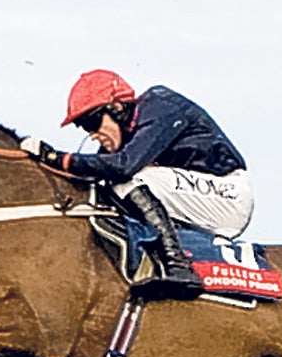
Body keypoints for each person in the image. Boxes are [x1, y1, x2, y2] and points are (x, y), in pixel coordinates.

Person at [20, 69, 254, 300]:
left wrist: (57, 157)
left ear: (117, 108)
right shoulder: (126, 134)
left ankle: (179, 267)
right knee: (110, 184)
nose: (92, 135)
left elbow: (123, 167)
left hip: (229, 196)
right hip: (194, 200)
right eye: (83, 127)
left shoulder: (160, 104)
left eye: (92, 122)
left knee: (130, 179)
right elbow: (97, 172)